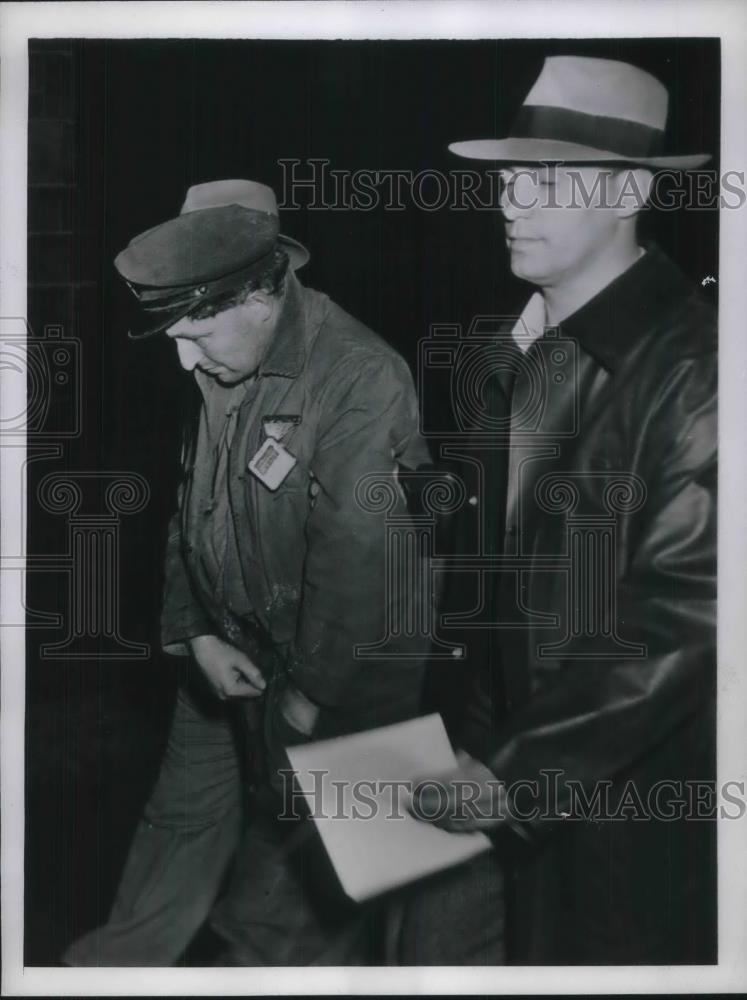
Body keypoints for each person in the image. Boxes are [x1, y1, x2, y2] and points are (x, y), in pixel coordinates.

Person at [64, 179, 431, 966]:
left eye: (193, 329)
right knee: (174, 839)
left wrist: (308, 698)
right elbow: (190, 508)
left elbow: (363, 566)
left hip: (340, 681)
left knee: (311, 913)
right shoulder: (216, 363)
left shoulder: (360, 378)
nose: (180, 354)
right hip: (226, 645)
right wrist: (191, 627)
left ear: (261, 295)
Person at [401, 56, 717, 964]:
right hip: (477, 757)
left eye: (546, 180)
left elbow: (689, 611)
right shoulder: (512, 349)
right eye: (507, 176)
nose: (512, 200)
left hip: (607, 800)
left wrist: (514, 773)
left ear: (626, 193)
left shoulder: (695, 367)